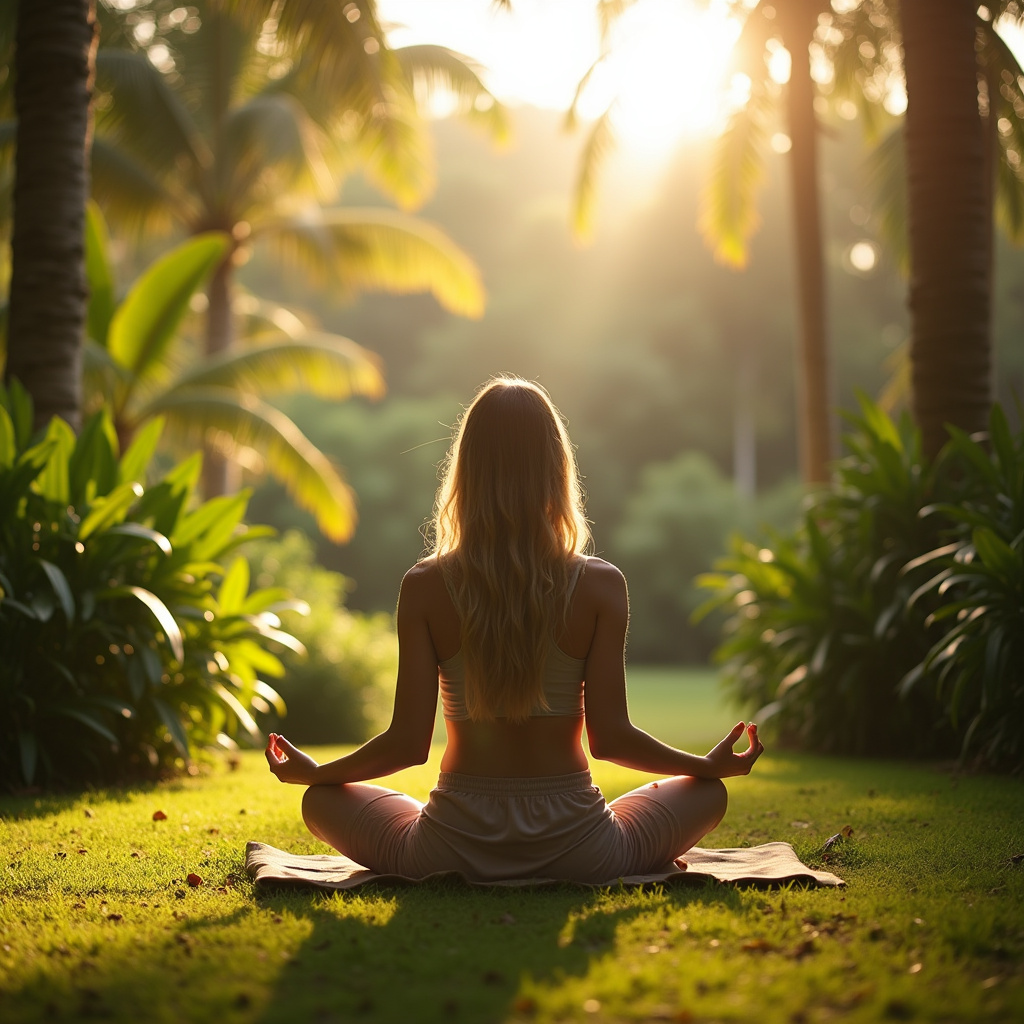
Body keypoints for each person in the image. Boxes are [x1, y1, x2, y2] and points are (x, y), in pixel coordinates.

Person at [265, 377, 763, 883]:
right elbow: (611, 740)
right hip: (583, 849)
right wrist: (705, 766)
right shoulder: (600, 584)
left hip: (448, 848)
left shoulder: (425, 586)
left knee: (321, 803)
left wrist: (320, 775)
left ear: (466, 472)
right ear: (556, 470)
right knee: (706, 793)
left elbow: (408, 744)